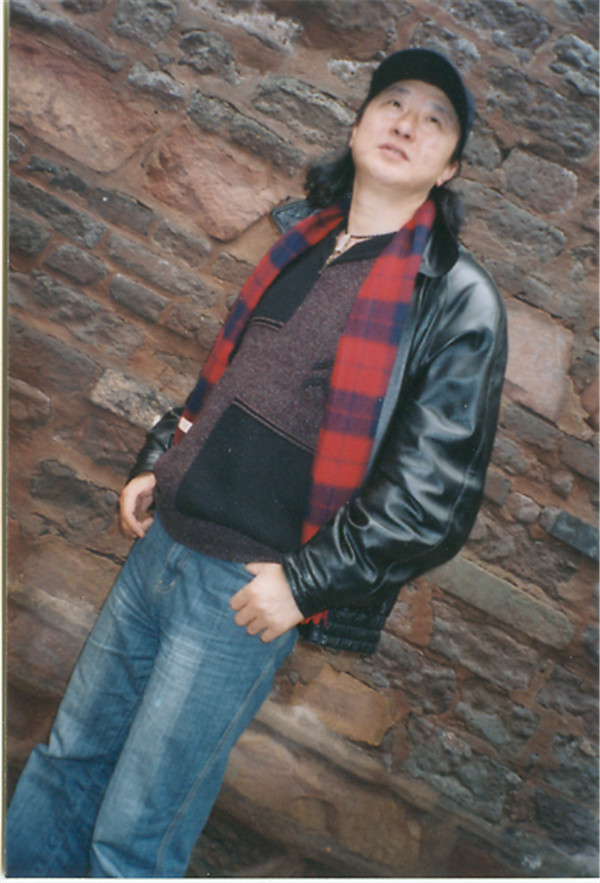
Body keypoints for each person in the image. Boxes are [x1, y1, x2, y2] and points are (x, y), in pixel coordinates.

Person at [6, 48, 507, 877]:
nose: (406, 123)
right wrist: (161, 456)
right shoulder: (303, 241)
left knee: (133, 833)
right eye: (392, 102)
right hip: (162, 547)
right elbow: (230, 379)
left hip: (242, 595)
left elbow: (434, 500)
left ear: (449, 166)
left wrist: (303, 585)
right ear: (358, 123)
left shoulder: (457, 298)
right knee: (66, 764)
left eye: (434, 119)